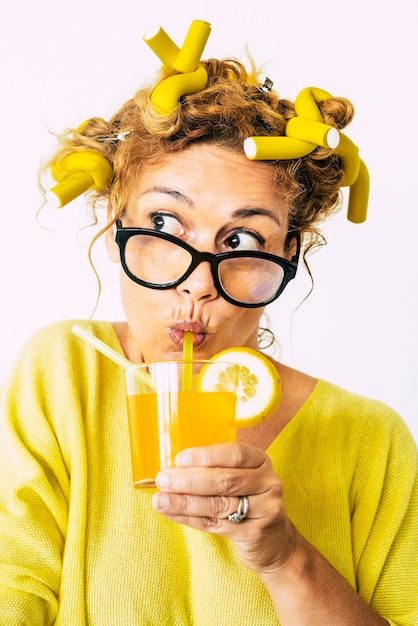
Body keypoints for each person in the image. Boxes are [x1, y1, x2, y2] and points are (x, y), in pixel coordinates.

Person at [0, 19, 416, 626]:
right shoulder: (62, 374)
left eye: (243, 238)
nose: (196, 282)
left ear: (289, 254)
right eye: (165, 226)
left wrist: (285, 559)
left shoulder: (371, 441)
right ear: (119, 222)